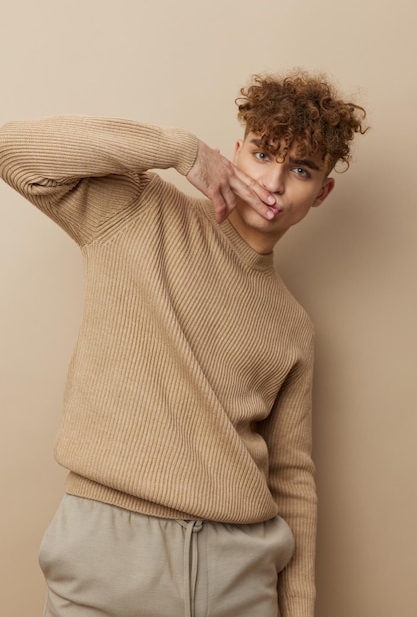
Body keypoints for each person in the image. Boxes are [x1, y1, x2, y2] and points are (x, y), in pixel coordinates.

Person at [0, 70, 367, 617]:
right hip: (108, 554)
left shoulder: (294, 327)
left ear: (322, 192)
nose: (272, 184)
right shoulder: (137, 211)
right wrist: (180, 148)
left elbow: (292, 478)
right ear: (236, 151)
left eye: (300, 169)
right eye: (263, 154)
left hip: (239, 575)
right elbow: (14, 152)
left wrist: (299, 606)